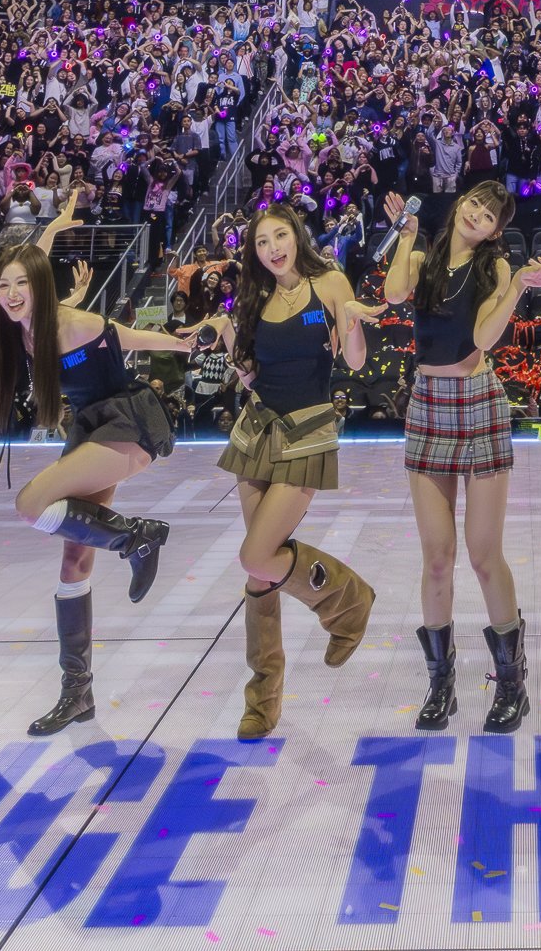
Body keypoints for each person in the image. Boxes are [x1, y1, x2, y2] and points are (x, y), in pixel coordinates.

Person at [0, 219, 203, 737]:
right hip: (90, 430)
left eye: (21, 284)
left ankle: (136, 537)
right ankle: (77, 693)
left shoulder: (74, 324)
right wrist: (53, 228)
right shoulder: (24, 330)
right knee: (74, 560)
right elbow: (32, 266)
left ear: (39, 286)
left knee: (31, 504)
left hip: (127, 423)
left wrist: (188, 344)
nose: (11, 293)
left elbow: (129, 337)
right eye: (4, 285)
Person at [381, 179, 541, 731]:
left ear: (497, 231)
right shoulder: (423, 258)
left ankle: (512, 684)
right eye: (476, 202)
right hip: (427, 402)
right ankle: (440, 686)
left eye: (491, 214)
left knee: (482, 553)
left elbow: (483, 337)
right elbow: (395, 294)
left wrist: (515, 284)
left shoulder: (492, 267)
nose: (479, 214)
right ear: (460, 204)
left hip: (478, 399)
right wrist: (407, 234)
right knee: (436, 557)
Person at [212, 201, 380, 738]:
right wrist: (225, 332)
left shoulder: (328, 282)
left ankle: (347, 601)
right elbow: (250, 373)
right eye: (262, 243)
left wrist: (352, 323)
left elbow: (355, 360)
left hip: (307, 430)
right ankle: (263, 700)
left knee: (255, 554)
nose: (273, 249)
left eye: (280, 236)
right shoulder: (256, 293)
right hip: (256, 430)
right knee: (258, 569)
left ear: (297, 235)